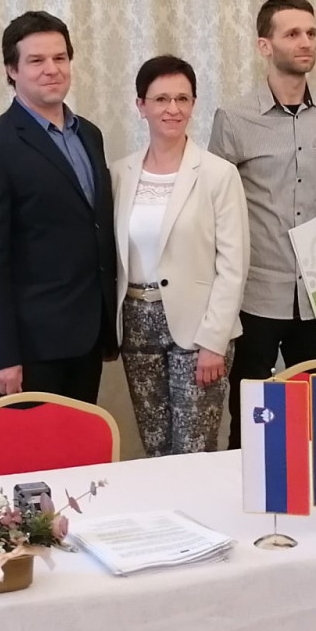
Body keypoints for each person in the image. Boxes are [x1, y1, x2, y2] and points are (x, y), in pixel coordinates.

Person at [210, 0, 316, 447]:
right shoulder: (234, 119)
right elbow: (214, 211)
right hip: (255, 296)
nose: (306, 42)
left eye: (312, 33)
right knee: (251, 423)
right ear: (265, 45)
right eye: (293, 33)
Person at [0, 10, 118, 403]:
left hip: (87, 335)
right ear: (11, 70)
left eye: (60, 58)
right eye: (36, 60)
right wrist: (1, 353)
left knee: (84, 441)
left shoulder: (89, 135)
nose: (52, 69)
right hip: (31, 347)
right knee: (36, 445)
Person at [110, 56, 250, 455]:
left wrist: (214, 341)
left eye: (182, 99)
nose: (172, 109)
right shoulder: (120, 173)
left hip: (199, 327)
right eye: (161, 99)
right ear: (141, 105)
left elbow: (234, 265)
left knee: (194, 447)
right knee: (155, 446)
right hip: (136, 322)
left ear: (193, 104)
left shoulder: (218, 174)